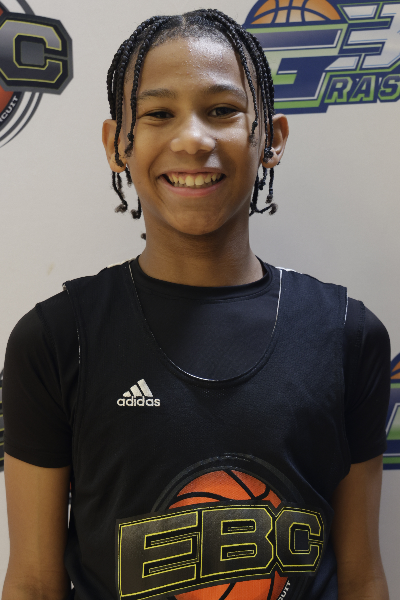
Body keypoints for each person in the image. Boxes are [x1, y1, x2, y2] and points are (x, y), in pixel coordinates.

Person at [2, 9, 391, 600]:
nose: (192, 139)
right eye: (158, 114)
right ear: (117, 145)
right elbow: (33, 582)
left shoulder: (346, 334)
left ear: (271, 140)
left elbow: (362, 575)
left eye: (222, 110)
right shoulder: (56, 339)